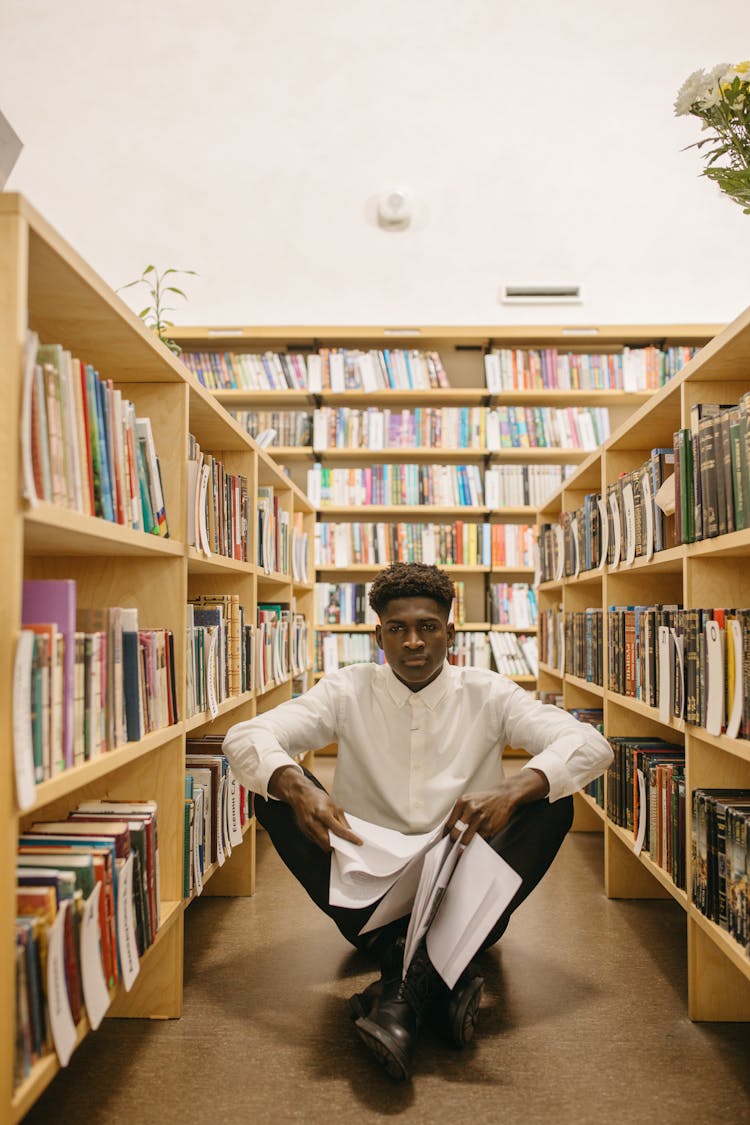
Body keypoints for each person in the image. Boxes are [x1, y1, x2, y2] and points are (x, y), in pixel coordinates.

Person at [222, 562, 612, 1081]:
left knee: (551, 796)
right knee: (272, 790)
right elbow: (243, 737)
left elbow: (591, 745)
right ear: (375, 633)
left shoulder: (490, 692)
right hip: (368, 896)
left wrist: (516, 786)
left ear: (451, 631)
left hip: (465, 899)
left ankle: (398, 994)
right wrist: (296, 787)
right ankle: (434, 981)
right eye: (397, 629)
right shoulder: (345, 689)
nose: (413, 642)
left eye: (428, 627)